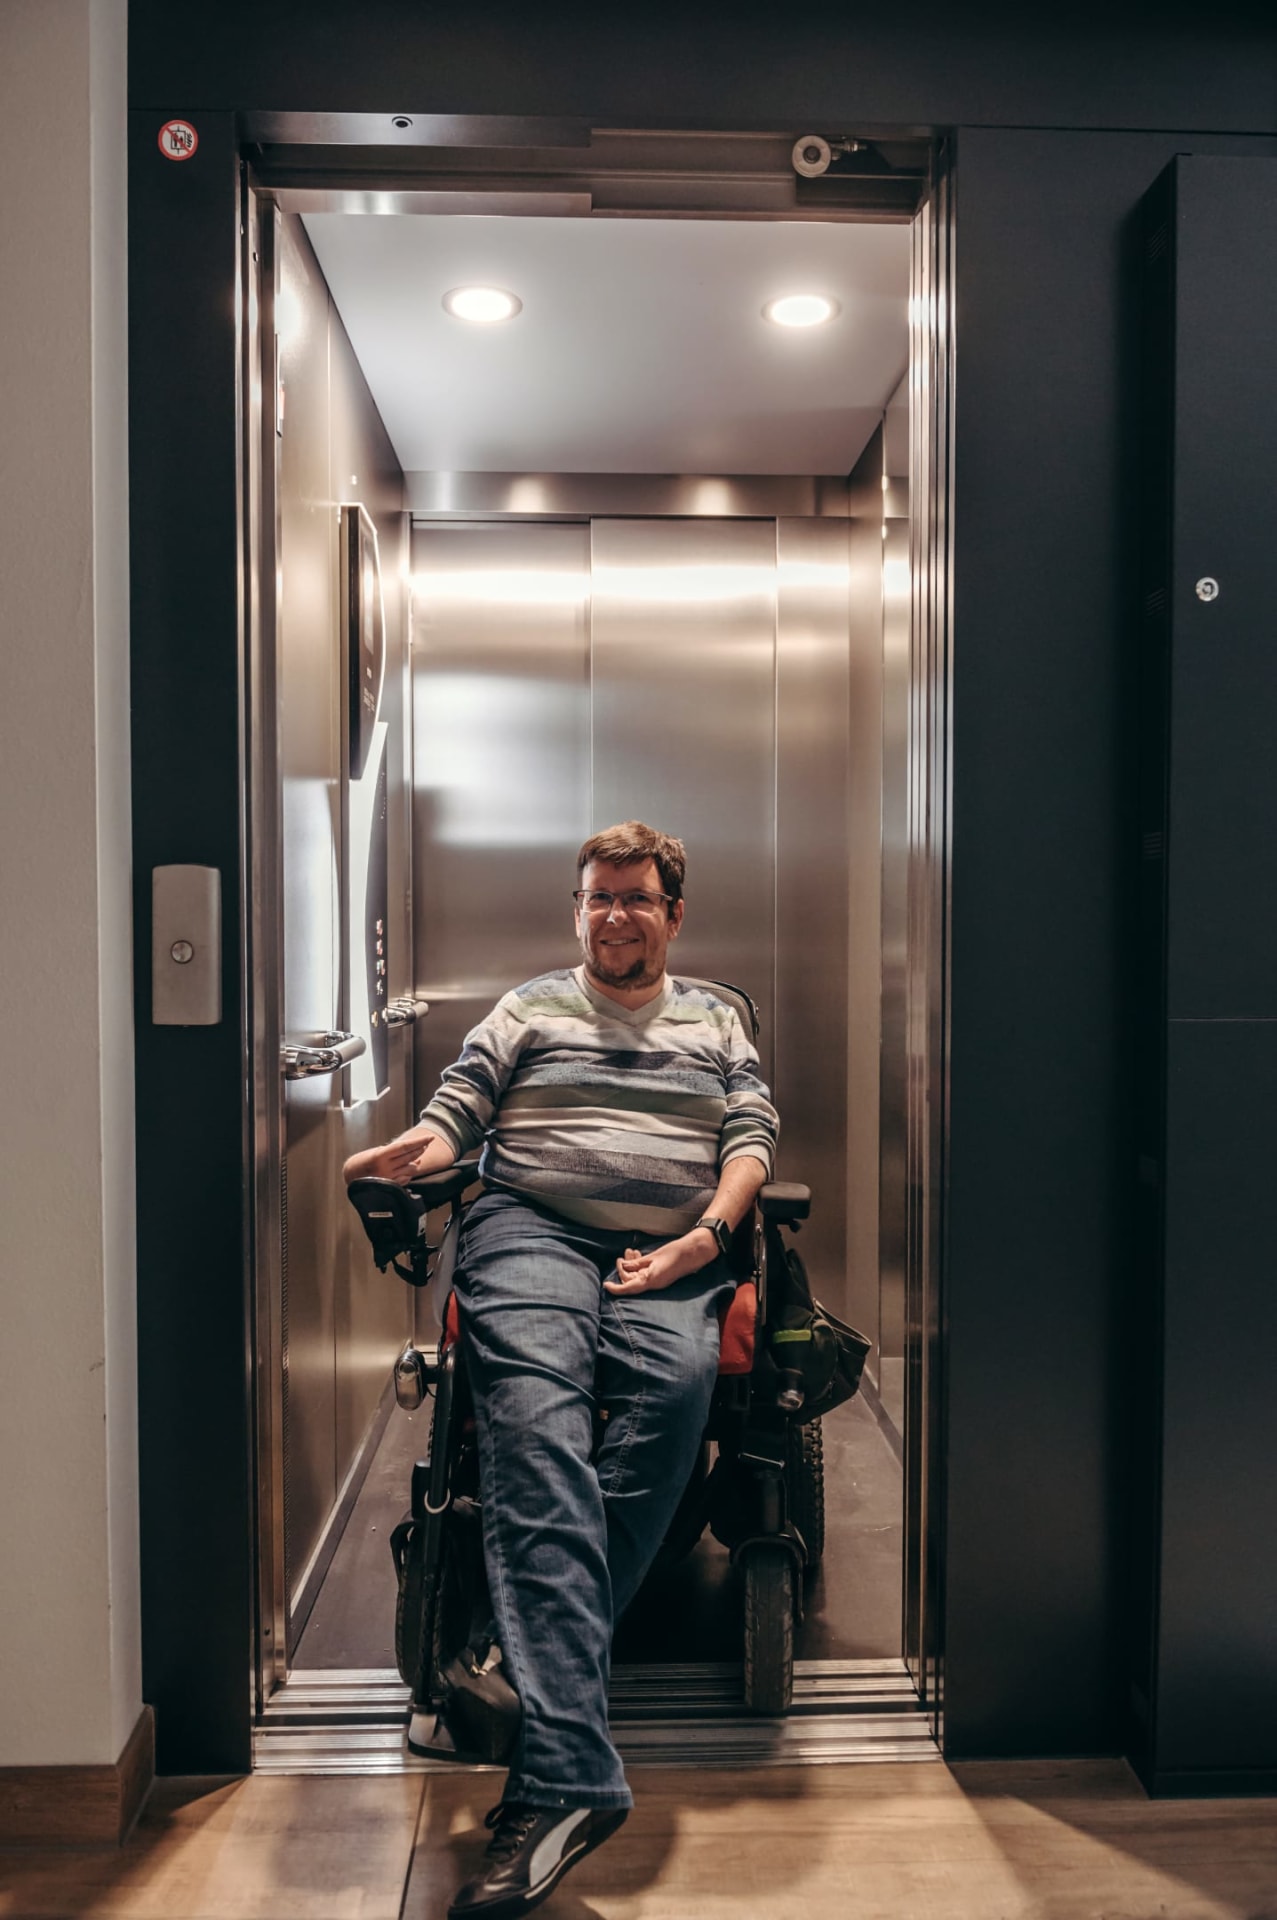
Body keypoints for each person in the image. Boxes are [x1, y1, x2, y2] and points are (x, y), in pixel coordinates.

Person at [344, 821, 778, 1920]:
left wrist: (706, 1240)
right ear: (576, 908)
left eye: (635, 898)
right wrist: (410, 1157)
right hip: (531, 1228)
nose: (613, 915)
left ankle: (510, 1649)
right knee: (536, 1429)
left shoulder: (714, 1019)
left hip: (667, 1251)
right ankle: (567, 1778)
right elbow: (456, 1112)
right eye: (596, 897)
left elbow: (750, 1135)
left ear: (673, 914)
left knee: (668, 1416)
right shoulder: (528, 1007)